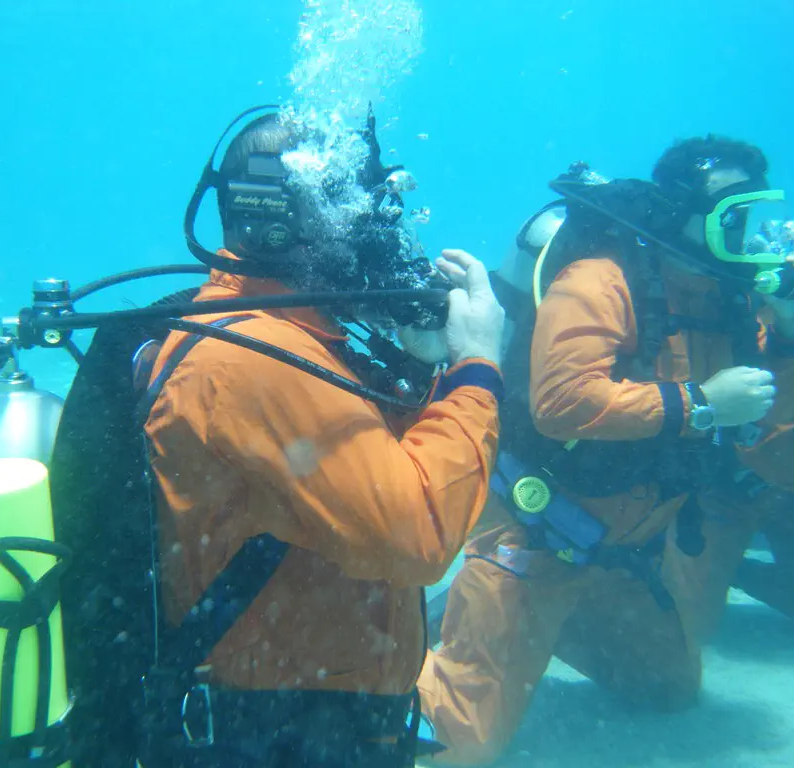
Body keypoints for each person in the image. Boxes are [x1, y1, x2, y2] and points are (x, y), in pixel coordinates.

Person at [52, 106, 507, 768]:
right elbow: (419, 534)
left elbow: (370, 468)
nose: (383, 235)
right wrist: (476, 368)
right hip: (273, 739)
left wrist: (418, 368)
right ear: (288, 219)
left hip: (306, 727)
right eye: (361, 212)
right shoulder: (253, 358)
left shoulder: (287, 335)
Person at [416, 136, 794, 766]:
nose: (744, 232)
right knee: (459, 742)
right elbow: (560, 403)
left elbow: (761, 432)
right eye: (731, 213)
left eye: (752, 212)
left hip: (620, 555)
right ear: (681, 211)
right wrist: (700, 403)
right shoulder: (599, 280)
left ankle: (535, 629)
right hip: (534, 537)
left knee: (669, 689)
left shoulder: (733, 304)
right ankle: (397, 647)